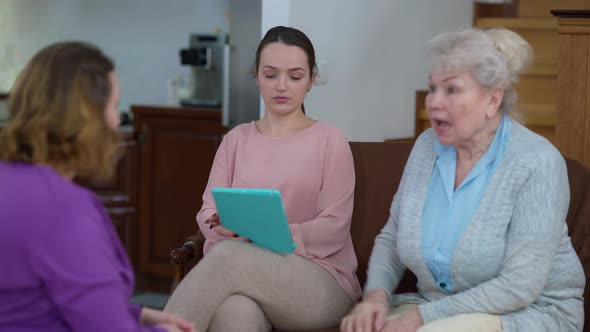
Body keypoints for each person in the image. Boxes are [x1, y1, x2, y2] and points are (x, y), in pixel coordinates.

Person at [341, 28, 585, 332]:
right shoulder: (426, 146)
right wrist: (376, 296)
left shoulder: (537, 162)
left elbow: (520, 286)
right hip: (434, 306)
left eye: (452, 90)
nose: (433, 103)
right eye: (432, 89)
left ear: (493, 100)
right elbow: (392, 237)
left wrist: (422, 319)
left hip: (530, 312)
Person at [164, 26, 361, 331]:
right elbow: (207, 214)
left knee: (230, 256)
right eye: (271, 75)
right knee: (235, 310)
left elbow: (333, 229)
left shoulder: (330, 140)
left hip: (320, 282)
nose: (282, 86)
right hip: (246, 274)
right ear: (256, 76)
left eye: (295, 76)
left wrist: (260, 237)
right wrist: (226, 230)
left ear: (311, 80)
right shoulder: (235, 140)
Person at [0, 42, 196, 332]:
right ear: (86, 118)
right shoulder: (65, 209)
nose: (118, 119)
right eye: (114, 106)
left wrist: (136, 314)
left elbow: (31, 298)